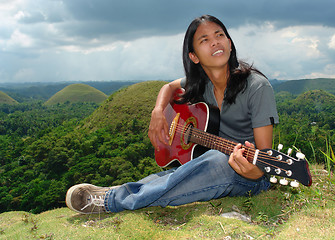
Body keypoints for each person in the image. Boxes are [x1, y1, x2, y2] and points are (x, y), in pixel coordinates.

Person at [65, 15, 279, 214]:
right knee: (176, 175)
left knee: (215, 160)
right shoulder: (201, 84)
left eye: (220, 35)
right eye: (205, 39)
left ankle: (110, 201)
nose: (215, 42)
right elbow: (168, 87)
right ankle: (118, 191)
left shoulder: (257, 87)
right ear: (194, 56)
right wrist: (158, 111)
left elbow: (264, 157)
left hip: (247, 175)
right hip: (203, 165)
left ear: (230, 44)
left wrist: (256, 172)